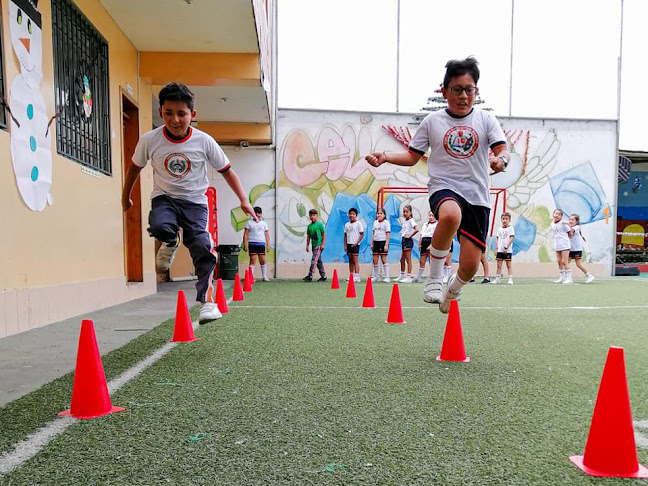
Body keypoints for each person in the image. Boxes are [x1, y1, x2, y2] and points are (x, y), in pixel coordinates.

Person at [366, 57, 509, 313]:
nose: (463, 96)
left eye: (469, 90)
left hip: (477, 195)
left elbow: (502, 150)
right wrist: (385, 156)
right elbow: (412, 156)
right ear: (444, 91)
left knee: (470, 265)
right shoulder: (432, 122)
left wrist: (501, 161)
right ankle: (433, 278)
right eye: (457, 89)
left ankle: (453, 290)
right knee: (451, 215)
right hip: (444, 186)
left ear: (476, 91)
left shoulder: (486, 120)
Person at [121, 82, 256, 324]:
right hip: (165, 198)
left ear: (192, 115)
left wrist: (243, 200)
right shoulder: (150, 140)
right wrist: (125, 195)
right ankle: (171, 240)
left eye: (181, 114)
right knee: (161, 226)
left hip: (195, 203)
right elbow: (134, 168)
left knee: (203, 246)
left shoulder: (204, 141)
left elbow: (227, 171)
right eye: (168, 113)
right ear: (161, 111)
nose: (175, 120)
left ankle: (207, 302)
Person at [243, 206, 270, 282]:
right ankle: (251, 278)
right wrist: (245, 244)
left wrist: (268, 245)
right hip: (252, 243)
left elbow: (267, 235)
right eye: (257, 213)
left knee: (263, 260)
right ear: (253, 213)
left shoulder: (264, 223)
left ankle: (264, 276)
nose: (258, 215)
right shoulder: (249, 223)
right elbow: (245, 234)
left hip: (261, 243)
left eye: (260, 213)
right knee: (252, 260)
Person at [567, 213, 595, 284]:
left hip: (577, 250)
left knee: (578, 264)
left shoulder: (576, 227)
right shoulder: (569, 227)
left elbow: (570, 230)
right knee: (566, 263)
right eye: (569, 219)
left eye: (572, 220)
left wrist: (565, 223)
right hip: (570, 249)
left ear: (576, 221)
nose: (570, 221)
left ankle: (589, 275)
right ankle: (567, 278)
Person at [395, 205, 419, 283]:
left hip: (408, 241)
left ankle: (408, 276)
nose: (405, 213)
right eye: (404, 212)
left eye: (406, 212)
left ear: (410, 212)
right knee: (402, 259)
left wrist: (410, 235)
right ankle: (402, 275)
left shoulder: (411, 220)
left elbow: (416, 229)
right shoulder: (405, 221)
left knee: (408, 259)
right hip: (403, 240)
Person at [304, 209, 327, 282]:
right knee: (318, 261)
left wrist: (323, 244)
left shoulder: (319, 224)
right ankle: (323, 276)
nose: (312, 217)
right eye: (310, 215)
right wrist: (307, 245)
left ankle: (310, 275)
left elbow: (324, 234)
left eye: (313, 215)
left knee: (314, 260)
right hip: (313, 245)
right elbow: (308, 237)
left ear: (316, 216)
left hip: (318, 245)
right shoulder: (309, 226)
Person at [551, 208, 573, 283]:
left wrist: (566, 238)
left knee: (564, 261)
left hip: (564, 244)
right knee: (559, 261)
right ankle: (562, 277)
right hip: (557, 244)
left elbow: (570, 233)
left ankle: (569, 278)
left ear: (561, 216)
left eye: (559, 214)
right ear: (553, 214)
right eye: (556, 213)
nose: (557, 215)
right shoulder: (552, 223)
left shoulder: (563, 223)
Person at [414, 211, 437, 282]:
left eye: (433, 216)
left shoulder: (437, 225)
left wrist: (431, 245)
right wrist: (420, 244)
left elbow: (436, 236)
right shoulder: (425, 224)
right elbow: (421, 234)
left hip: (431, 241)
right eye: (430, 215)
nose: (431, 217)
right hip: (424, 242)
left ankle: (433, 276)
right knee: (422, 260)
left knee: (431, 260)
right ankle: (418, 277)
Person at [493, 212, 515, 285]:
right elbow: (497, 239)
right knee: (499, 265)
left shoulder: (510, 228)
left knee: (508, 265)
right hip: (500, 250)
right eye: (503, 219)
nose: (504, 220)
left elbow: (511, 238)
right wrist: (496, 249)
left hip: (507, 250)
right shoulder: (499, 229)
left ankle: (510, 278)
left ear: (509, 220)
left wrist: (506, 247)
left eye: (506, 219)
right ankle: (497, 278)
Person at [370, 207, 391, 282]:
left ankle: (387, 276)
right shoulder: (375, 222)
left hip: (383, 242)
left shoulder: (386, 223)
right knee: (375, 259)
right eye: (378, 213)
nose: (379, 215)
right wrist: (371, 243)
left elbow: (388, 234)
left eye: (381, 213)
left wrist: (386, 244)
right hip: (376, 242)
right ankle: (376, 276)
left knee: (383, 259)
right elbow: (373, 233)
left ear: (384, 215)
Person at [344, 207, 364, 282]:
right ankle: (351, 275)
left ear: (356, 215)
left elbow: (361, 234)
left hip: (355, 244)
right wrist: (345, 245)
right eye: (350, 214)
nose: (351, 215)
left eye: (353, 214)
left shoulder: (358, 224)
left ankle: (357, 276)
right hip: (349, 244)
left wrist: (356, 243)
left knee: (355, 260)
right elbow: (345, 236)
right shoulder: (347, 225)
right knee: (350, 260)